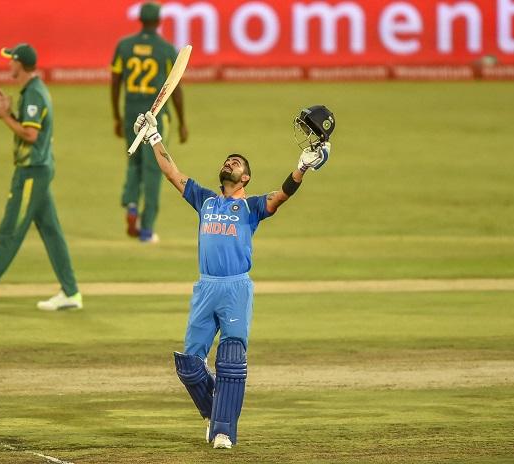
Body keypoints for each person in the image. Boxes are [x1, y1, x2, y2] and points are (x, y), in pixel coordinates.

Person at [133, 105, 335, 448]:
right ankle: (216, 413)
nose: (230, 163)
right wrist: (154, 136)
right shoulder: (205, 200)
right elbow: (172, 173)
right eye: (228, 160)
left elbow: (282, 195)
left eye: (236, 162)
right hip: (205, 286)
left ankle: (224, 431)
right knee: (189, 365)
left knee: (230, 361)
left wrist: (301, 168)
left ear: (246, 178)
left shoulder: (251, 207)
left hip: (236, 288)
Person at [0, 43, 82, 312]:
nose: (8, 64)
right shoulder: (33, 91)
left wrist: (4, 116)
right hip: (38, 170)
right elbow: (33, 129)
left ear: (20, 64)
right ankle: (71, 293)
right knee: (51, 232)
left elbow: (31, 135)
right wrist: (10, 113)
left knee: (11, 231)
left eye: (11, 60)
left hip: (32, 172)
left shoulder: (34, 93)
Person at [110, 1, 188, 243]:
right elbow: (173, 88)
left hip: (131, 111)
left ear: (140, 19)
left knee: (134, 164)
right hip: (155, 117)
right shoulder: (165, 49)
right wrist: (183, 121)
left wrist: (117, 115)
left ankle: (131, 203)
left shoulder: (124, 46)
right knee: (154, 171)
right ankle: (146, 229)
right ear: (159, 21)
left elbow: (114, 82)